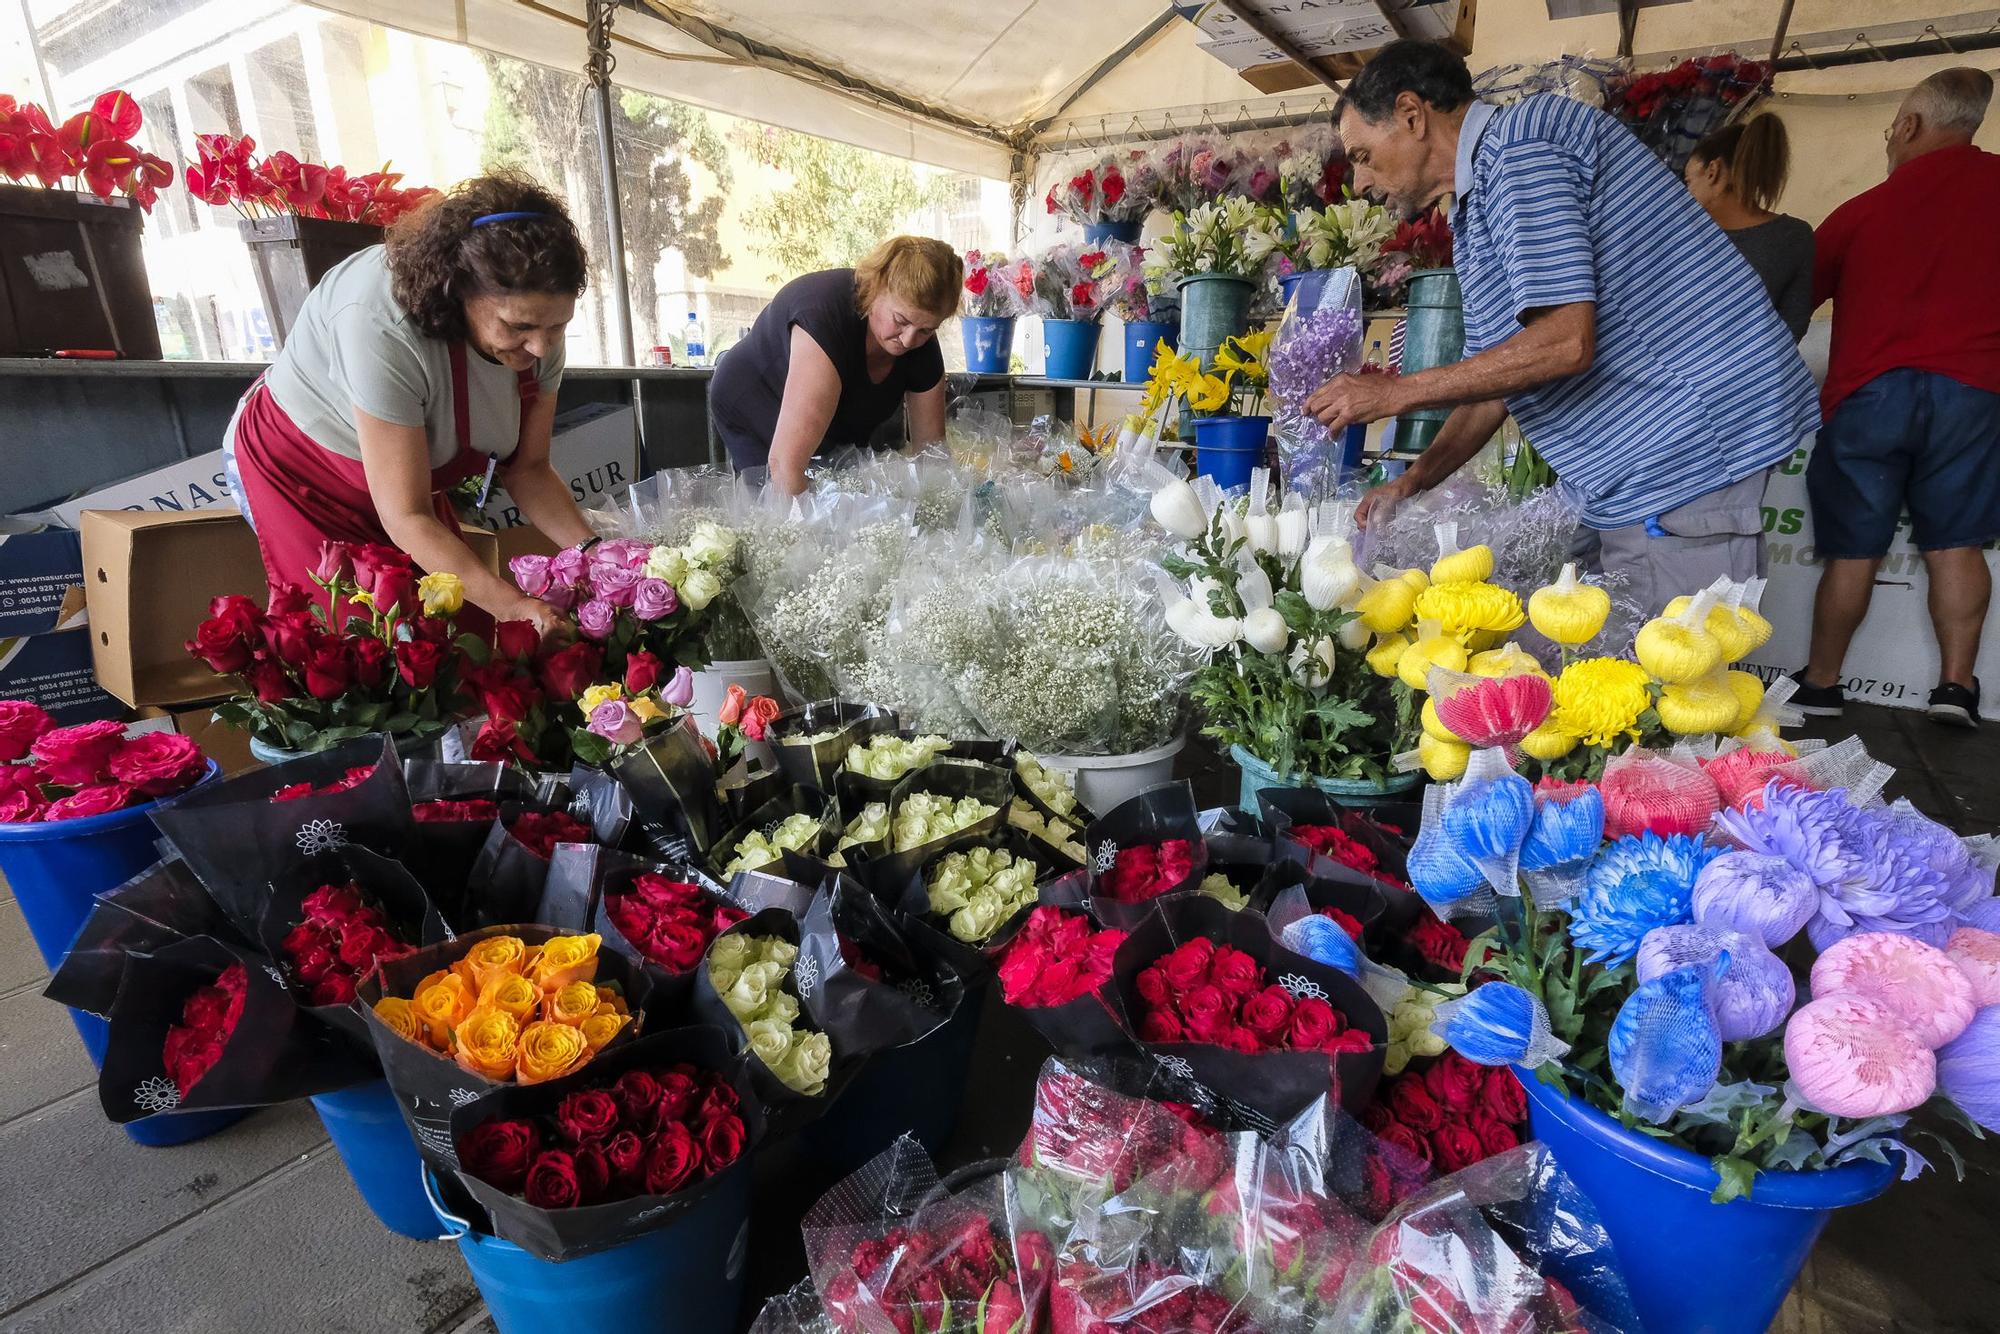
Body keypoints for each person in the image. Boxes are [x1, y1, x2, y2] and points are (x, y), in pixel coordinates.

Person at [1317, 41, 1818, 614]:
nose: (1358, 182)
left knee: (1673, 675)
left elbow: (1565, 342)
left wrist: (1395, 393)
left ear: (1412, 115)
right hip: (1631, 463)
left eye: (1361, 155)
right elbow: (1500, 373)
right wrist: (1415, 480)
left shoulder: (1521, 146)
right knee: (1605, 657)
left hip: (1681, 448)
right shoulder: (1477, 201)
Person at [225, 172, 598, 638]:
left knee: (461, 637)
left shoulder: (537, 332)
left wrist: (598, 555)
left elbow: (529, 469)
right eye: (517, 325)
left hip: (403, 496)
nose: (541, 348)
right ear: (459, 289)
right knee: (361, 648)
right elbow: (407, 515)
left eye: (558, 327)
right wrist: (514, 605)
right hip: (299, 476)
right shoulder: (380, 324)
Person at [1795, 68, 2000, 727]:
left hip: (1869, 394)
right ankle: (1955, 689)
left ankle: (1822, 687)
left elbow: (1794, 308)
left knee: (1854, 548)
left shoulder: (1862, 210)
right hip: (1973, 392)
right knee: (1956, 543)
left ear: (1909, 126)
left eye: (1892, 129)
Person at [709, 236, 959, 493]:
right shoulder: (823, 316)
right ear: (875, 289)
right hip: (756, 399)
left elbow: (932, 454)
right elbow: (785, 464)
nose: (908, 340)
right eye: (900, 321)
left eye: (926, 330)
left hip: (834, 416)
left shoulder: (920, 342)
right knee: (774, 499)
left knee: (840, 493)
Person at [1683, 116, 1814, 343]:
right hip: (1756, 373)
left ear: (1713, 171)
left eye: (1688, 182)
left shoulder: (1686, 237)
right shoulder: (1795, 236)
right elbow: (1793, 326)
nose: (1685, 194)